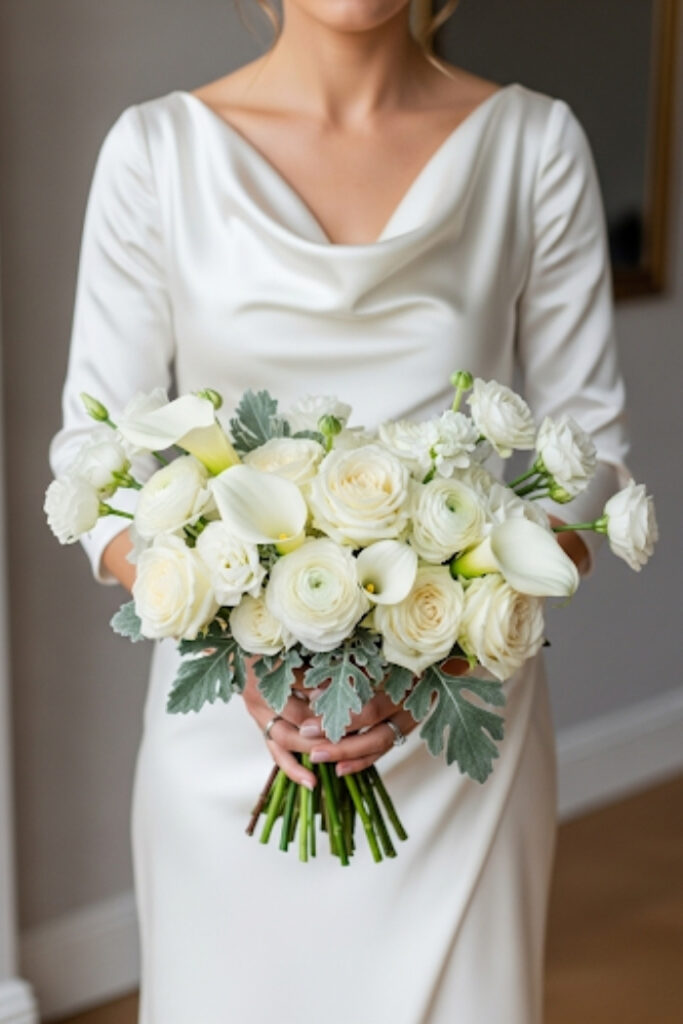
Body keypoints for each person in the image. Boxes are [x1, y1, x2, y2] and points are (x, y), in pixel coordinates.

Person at [48, 0, 631, 1020]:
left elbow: (590, 451)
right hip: (229, 742)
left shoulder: (532, 145)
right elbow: (95, 470)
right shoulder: (156, 153)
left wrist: (438, 656)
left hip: (459, 743)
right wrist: (254, 649)